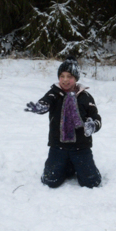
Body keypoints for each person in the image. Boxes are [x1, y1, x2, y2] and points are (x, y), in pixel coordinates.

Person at [24, 58, 102, 188]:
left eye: (69, 76)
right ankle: (68, 165)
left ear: (76, 78)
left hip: (81, 146)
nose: (65, 80)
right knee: (50, 181)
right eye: (62, 76)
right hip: (58, 146)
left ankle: (78, 165)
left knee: (91, 183)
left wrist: (93, 125)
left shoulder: (85, 97)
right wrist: (40, 107)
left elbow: (96, 116)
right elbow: (46, 102)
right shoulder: (54, 93)